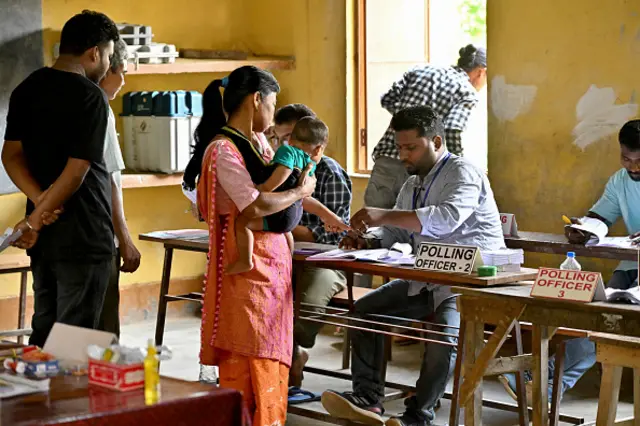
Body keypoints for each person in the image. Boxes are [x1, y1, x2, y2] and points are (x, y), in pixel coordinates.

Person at [321, 106, 505, 426]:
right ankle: (368, 399)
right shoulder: (413, 183)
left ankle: (418, 415)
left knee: (442, 336)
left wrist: (382, 215)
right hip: (428, 274)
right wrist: (368, 239)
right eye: (400, 148)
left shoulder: (463, 173)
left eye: (411, 148)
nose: (404, 156)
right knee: (365, 311)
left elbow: (446, 218)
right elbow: (397, 230)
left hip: (472, 280)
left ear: (436, 141)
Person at [182, 66, 317, 425]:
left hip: (272, 269)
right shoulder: (223, 150)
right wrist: (300, 192)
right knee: (248, 362)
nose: (273, 113)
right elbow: (254, 205)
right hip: (246, 268)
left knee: (272, 361)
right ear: (256, 100)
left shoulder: (258, 142)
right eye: (272, 103)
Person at [499, 119, 640, 406]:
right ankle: (546, 382)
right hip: (629, 266)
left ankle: (544, 379)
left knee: (610, 323)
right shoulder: (619, 180)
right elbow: (600, 218)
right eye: (627, 159)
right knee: (599, 320)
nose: (634, 168)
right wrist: (584, 229)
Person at [2, 11, 119, 347]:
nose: (107, 64)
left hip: (45, 239)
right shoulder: (90, 96)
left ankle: (39, 398)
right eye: (108, 55)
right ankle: (64, 399)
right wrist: (37, 216)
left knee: (45, 330)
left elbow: (10, 156)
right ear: (94, 52)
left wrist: (38, 204)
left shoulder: (27, 88)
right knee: (74, 340)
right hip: (84, 235)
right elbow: (77, 169)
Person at [267, 105, 354, 388]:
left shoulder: (329, 172)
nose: (287, 146)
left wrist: (278, 224)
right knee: (262, 302)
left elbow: (326, 236)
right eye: (281, 139)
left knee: (303, 316)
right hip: (286, 255)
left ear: (315, 146)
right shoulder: (283, 167)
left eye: (292, 137)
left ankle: (292, 356)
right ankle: (284, 369)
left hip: (327, 261)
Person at [365, 44, 487, 209]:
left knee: (372, 222)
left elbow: (387, 99)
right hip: (422, 170)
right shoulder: (466, 91)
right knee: (412, 228)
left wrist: (408, 121)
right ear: (481, 72)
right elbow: (453, 130)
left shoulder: (419, 71)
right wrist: (458, 168)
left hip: (387, 160)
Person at [227, 116, 349, 275]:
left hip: (281, 212)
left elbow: (281, 174)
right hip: (294, 215)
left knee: (242, 222)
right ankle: (288, 261)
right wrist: (329, 216)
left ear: (290, 139)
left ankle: (245, 260)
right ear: (318, 149)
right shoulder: (310, 165)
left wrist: (263, 189)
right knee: (286, 233)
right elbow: (303, 196)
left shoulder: (288, 151)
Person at [97, 38, 142, 336]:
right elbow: (110, 178)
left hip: (57, 237)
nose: (124, 81)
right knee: (102, 329)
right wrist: (123, 237)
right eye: (121, 71)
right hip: (96, 236)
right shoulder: (99, 108)